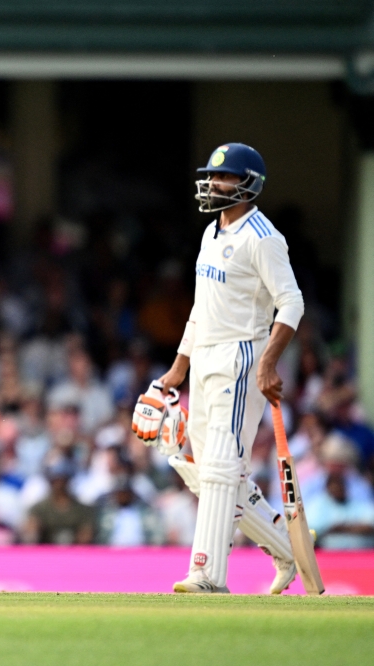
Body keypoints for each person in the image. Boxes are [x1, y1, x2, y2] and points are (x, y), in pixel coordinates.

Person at [150, 144, 305, 594]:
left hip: (241, 357)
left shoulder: (263, 237)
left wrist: (269, 362)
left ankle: (207, 575)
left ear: (248, 184)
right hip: (204, 358)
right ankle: (286, 549)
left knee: (220, 469)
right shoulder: (209, 233)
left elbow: (291, 302)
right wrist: (177, 368)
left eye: (226, 178)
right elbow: (201, 308)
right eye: (213, 177)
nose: (215, 184)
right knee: (207, 472)